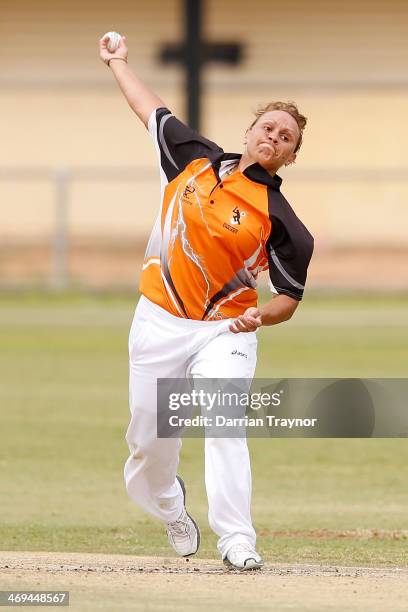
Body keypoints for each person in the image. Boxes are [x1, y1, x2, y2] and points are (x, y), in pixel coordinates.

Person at [99, 33, 314, 571]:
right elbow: (149, 108)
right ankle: (171, 505)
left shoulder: (283, 222)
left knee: (225, 424)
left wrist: (256, 316)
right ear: (250, 131)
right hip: (158, 320)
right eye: (269, 127)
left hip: (224, 330)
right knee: (148, 441)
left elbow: (287, 298)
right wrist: (117, 62)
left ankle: (237, 539)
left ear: (291, 154)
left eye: (286, 137)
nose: (275, 137)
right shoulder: (194, 161)